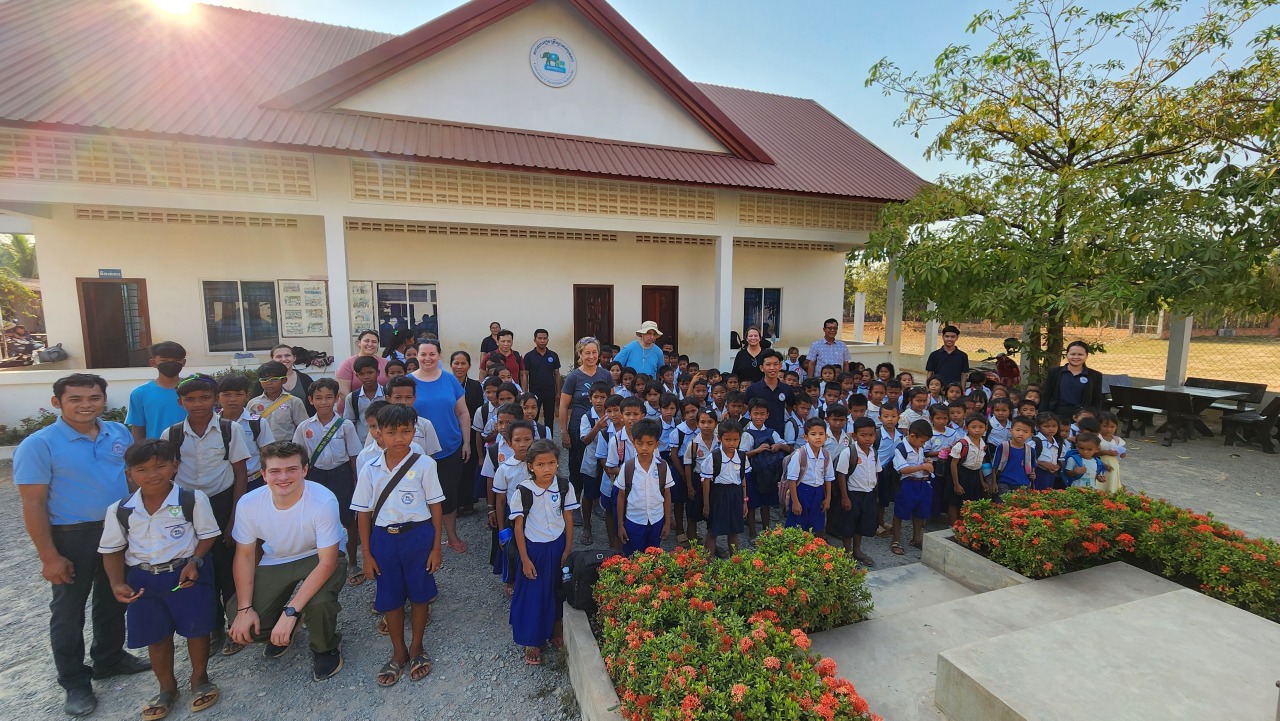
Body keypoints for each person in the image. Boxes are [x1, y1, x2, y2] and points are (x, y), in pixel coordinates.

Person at [15, 374, 151, 716]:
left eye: (93, 397)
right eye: (75, 398)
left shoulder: (117, 433)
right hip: (71, 535)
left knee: (113, 597)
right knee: (67, 611)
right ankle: (74, 681)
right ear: (57, 402)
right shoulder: (39, 444)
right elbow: (32, 503)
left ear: (104, 400)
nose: (85, 404)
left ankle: (108, 657)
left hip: (117, 530)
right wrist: (49, 556)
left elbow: (128, 480)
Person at [99, 439, 221, 719]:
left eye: (160, 466)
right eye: (142, 469)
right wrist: (118, 583)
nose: (152, 474)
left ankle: (200, 680)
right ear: (129, 474)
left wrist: (195, 561)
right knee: (156, 636)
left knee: (196, 628)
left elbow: (208, 534)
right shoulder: (121, 510)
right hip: (144, 580)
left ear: (174, 467)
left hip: (185, 574)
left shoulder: (192, 499)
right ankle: (167, 688)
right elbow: (112, 549)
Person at [226, 442, 346, 682]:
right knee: (242, 619)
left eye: (291, 469)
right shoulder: (249, 504)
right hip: (277, 559)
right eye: (275, 471)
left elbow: (327, 562)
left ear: (305, 470)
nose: (283, 477)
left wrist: (290, 611)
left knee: (319, 603)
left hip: (319, 556)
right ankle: (288, 626)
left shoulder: (322, 501)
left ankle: (325, 647)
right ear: (263, 475)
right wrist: (244, 608)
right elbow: (246, 555)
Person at [352, 404, 444, 687]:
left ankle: (416, 646)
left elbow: (435, 506)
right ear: (379, 433)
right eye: (391, 432)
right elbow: (363, 513)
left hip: (417, 537)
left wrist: (436, 546)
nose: (399, 438)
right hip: (383, 540)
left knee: (419, 594)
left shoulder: (425, 464)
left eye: (406, 431)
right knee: (390, 597)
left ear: (414, 432)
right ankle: (398, 650)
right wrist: (366, 554)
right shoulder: (370, 468)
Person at [508, 439, 577, 666]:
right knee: (534, 595)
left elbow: (568, 518)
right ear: (530, 466)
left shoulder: (565, 486)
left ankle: (555, 630)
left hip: (557, 546)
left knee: (557, 589)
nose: (547, 469)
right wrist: (525, 559)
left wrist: (567, 549)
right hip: (534, 549)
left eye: (552, 463)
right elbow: (518, 527)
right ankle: (532, 640)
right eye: (540, 464)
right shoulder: (523, 492)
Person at [293, 378, 363, 584]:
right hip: (315, 476)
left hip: (341, 476)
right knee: (317, 520)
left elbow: (353, 456)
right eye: (319, 398)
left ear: (336, 399)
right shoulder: (304, 427)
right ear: (310, 400)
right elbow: (299, 456)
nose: (324, 402)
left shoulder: (345, 425)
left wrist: (357, 482)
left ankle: (351, 562)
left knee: (348, 520)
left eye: (328, 397)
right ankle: (322, 564)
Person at [408, 339, 473, 553]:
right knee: (419, 494)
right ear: (416, 356)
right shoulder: (408, 382)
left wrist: (466, 442)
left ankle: (451, 535)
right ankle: (427, 537)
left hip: (450, 448)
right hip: (417, 452)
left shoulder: (449, 380)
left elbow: (462, 413)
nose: (427, 359)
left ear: (439, 355)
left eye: (432, 354)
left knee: (448, 493)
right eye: (423, 354)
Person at [558, 336, 612, 509]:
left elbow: (613, 401)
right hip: (579, 429)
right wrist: (564, 432)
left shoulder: (605, 375)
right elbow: (563, 406)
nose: (591, 356)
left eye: (594, 352)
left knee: (600, 463)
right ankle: (574, 504)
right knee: (577, 466)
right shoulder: (574, 377)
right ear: (580, 354)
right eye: (586, 353)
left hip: (604, 427)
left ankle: (594, 502)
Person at [614, 419, 674, 556]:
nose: (645, 448)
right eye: (640, 444)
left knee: (653, 556)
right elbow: (621, 495)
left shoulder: (662, 466)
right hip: (634, 521)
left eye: (650, 444)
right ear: (634, 443)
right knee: (633, 557)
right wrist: (620, 525)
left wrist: (667, 523)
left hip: (656, 520)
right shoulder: (628, 467)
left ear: (657, 444)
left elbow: (667, 494)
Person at [831, 417, 880, 565]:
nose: (867, 438)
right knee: (848, 524)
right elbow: (841, 475)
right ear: (854, 436)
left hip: (868, 493)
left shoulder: (874, 453)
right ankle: (847, 551)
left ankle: (857, 550)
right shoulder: (849, 453)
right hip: (853, 493)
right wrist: (845, 497)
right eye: (863, 435)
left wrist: (875, 492)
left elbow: (876, 472)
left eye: (871, 435)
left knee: (862, 523)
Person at [216, 374, 275, 492]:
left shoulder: (257, 423)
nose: (232, 399)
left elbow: (267, 455)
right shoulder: (213, 424)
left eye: (238, 394)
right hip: (221, 484)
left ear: (247, 396)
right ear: (217, 397)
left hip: (253, 482)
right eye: (226, 395)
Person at [701, 419, 748, 556]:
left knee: (734, 531)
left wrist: (745, 500)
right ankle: (707, 563)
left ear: (740, 439)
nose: (732, 443)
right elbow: (706, 482)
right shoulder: (714, 457)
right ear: (720, 439)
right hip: (718, 494)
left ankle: (735, 562)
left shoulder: (742, 456)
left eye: (735, 439)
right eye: (728, 439)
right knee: (713, 531)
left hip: (736, 494)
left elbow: (743, 479)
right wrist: (706, 504)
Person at [127, 341, 188, 441]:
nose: (170, 364)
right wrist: (140, 453)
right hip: (157, 452)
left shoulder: (193, 389)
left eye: (176, 360)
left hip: (192, 450)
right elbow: (137, 427)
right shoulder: (140, 393)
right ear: (153, 363)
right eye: (164, 360)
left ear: (183, 362)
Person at [890, 420, 934, 556]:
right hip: (908, 483)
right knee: (900, 512)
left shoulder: (919, 447)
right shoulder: (901, 448)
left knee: (920, 512)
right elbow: (902, 469)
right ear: (913, 436)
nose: (923, 444)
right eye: (922, 441)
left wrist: (925, 461)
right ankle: (896, 540)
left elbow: (919, 460)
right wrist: (922, 467)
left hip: (922, 483)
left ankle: (916, 538)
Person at [783, 418, 834, 534]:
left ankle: (811, 549)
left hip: (818, 493)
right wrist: (795, 502)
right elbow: (792, 479)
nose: (818, 437)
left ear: (826, 436)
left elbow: (828, 478)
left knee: (816, 525)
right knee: (797, 526)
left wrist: (828, 498)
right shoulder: (800, 454)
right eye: (813, 434)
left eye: (821, 434)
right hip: (802, 492)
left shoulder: (826, 455)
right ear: (806, 437)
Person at [451, 350, 485, 516]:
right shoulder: (447, 384)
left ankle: (469, 501)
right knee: (453, 468)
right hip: (451, 430)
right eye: (456, 363)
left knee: (469, 466)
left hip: (470, 431)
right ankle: (454, 503)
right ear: (451, 365)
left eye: (463, 363)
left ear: (469, 366)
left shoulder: (475, 385)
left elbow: (478, 407)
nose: (459, 367)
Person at [1039, 340, 1103, 422]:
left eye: (1080, 354)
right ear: (1067, 355)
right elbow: (1047, 394)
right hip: (1057, 413)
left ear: (1086, 356)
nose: (1076, 357)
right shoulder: (1055, 372)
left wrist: (1093, 416)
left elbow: (1097, 399)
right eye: (1073, 354)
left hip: (1081, 417)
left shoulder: (1095, 375)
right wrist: (1042, 415)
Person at [248, 360, 308, 444]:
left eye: (274, 379)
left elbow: (302, 427)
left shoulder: (294, 402)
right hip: (261, 447)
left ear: (284, 380)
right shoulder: (253, 403)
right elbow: (248, 428)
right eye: (264, 379)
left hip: (287, 447)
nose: (269, 383)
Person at [948, 414, 992, 525]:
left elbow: (979, 464)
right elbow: (953, 464)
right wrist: (956, 484)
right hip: (961, 474)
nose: (977, 430)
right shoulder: (962, 444)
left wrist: (982, 481)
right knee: (955, 501)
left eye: (981, 427)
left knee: (969, 501)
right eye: (973, 427)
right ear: (966, 428)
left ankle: (963, 525)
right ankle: (952, 525)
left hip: (975, 475)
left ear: (986, 428)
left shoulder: (982, 443)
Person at [251, 345, 315, 416]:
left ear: (294, 358)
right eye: (279, 356)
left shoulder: (305, 379)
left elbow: (313, 404)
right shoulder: (263, 382)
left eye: (287, 355)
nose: (284, 359)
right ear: (272, 359)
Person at [335, 331, 390, 413]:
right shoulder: (347, 364)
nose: (370, 344)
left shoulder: (385, 362)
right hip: (353, 411)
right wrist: (362, 407)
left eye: (374, 342)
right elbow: (343, 393)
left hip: (382, 411)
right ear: (359, 343)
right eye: (367, 341)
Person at [520, 329, 562, 426]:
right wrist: (524, 393)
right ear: (534, 340)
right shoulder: (529, 356)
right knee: (533, 418)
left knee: (549, 418)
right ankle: (533, 439)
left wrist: (558, 393)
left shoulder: (553, 355)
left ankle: (549, 439)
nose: (542, 341)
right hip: (534, 391)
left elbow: (556, 374)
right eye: (539, 338)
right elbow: (525, 375)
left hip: (549, 391)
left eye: (545, 338)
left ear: (548, 340)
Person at [343, 355, 385, 445]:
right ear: (357, 375)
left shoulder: (387, 394)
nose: (366, 377)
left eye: (370, 372)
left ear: (377, 372)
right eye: (362, 374)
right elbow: (349, 424)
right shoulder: (352, 397)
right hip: (361, 444)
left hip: (385, 442)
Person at [991, 417, 1038, 497]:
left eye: (1025, 431)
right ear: (1011, 430)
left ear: (1031, 435)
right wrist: (994, 483)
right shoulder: (1003, 447)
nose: (1021, 434)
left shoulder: (1030, 450)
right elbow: (994, 466)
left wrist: (1033, 474)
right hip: (1004, 483)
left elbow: (1033, 466)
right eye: (1018, 430)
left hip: (1023, 484)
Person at [1096, 412, 1126, 494]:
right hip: (1100, 463)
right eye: (1105, 426)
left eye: (1112, 427)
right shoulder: (1097, 438)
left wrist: (1122, 454)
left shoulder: (1117, 440)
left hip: (1113, 464)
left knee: (1111, 481)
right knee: (1100, 483)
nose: (1109, 429)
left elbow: (1121, 453)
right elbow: (1093, 453)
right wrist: (1105, 452)